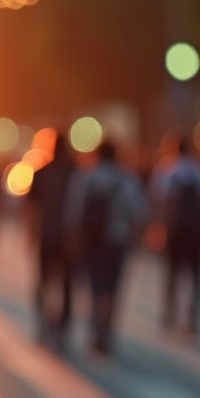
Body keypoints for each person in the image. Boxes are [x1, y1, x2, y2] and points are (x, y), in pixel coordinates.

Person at [64, 141, 148, 355]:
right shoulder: (126, 179)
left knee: (94, 286)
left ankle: (95, 327)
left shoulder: (85, 177)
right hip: (116, 240)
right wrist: (137, 241)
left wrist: (74, 240)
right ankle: (106, 330)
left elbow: (73, 212)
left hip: (91, 241)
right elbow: (139, 213)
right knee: (112, 289)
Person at [155, 137, 200, 335]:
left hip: (175, 231)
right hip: (197, 231)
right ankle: (193, 317)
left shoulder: (167, 169)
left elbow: (160, 201)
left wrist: (160, 227)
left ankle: (169, 312)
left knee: (172, 273)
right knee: (196, 275)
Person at [26, 133, 77, 348]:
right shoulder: (76, 173)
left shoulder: (41, 173)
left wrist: (31, 234)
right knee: (66, 285)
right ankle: (62, 329)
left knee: (44, 283)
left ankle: (44, 324)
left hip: (47, 235)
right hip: (69, 237)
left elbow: (32, 208)